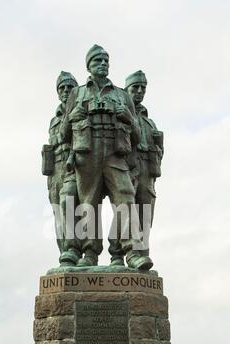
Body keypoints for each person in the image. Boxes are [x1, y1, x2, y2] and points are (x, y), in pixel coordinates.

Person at [60, 45, 153, 270]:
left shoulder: (122, 95)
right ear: (88, 66)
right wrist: (71, 117)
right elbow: (64, 135)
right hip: (87, 155)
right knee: (87, 204)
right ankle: (89, 252)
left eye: (105, 61)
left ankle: (131, 251)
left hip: (114, 155)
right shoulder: (77, 93)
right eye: (97, 61)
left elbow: (138, 136)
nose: (102, 64)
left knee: (126, 197)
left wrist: (129, 118)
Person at [109, 70, 164, 266]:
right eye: (135, 87)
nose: (140, 91)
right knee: (124, 211)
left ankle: (141, 254)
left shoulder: (150, 122)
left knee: (145, 216)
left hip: (148, 173)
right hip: (128, 168)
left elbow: (159, 150)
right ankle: (116, 254)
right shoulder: (121, 113)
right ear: (127, 90)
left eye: (143, 88)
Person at [45, 71, 81, 266]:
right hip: (55, 171)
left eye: (69, 87)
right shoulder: (54, 119)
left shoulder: (79, 111)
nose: (66, 91)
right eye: (62, 88)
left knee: (74, 207)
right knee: (59, 213)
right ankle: (65, 254)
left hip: (74, 165)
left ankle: (74, 249)